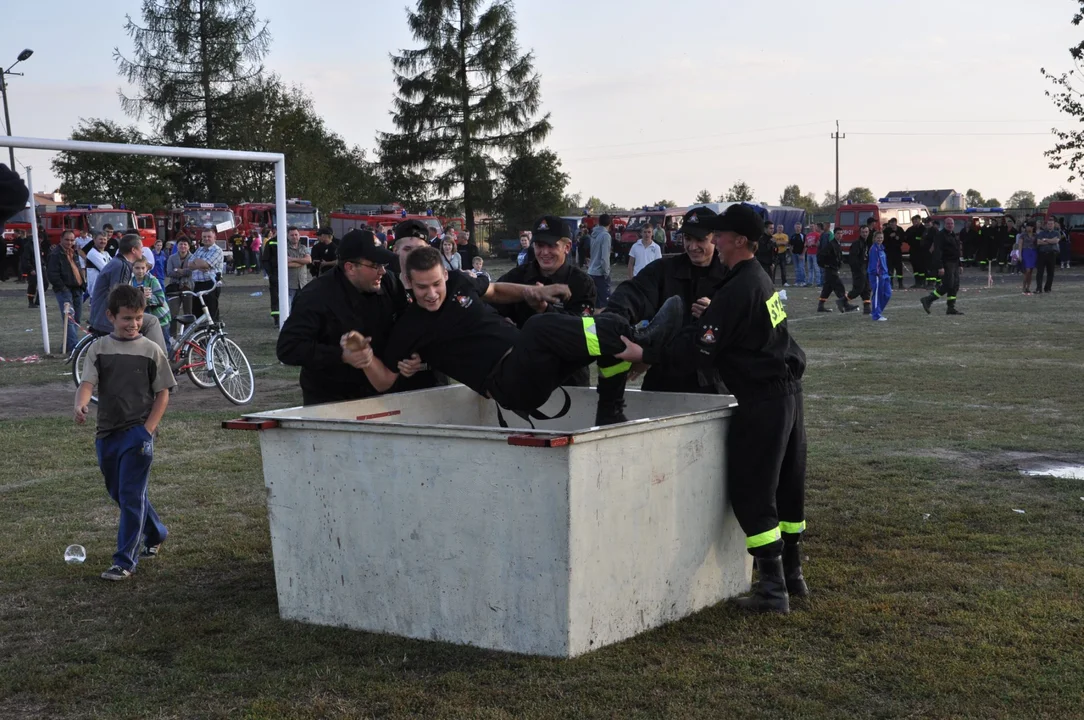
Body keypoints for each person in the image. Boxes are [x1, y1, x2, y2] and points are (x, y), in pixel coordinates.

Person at [612, 203, 809, 614]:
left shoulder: (737, 287)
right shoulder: (758, 279)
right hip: (788, 394)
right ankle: (793, 575)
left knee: (753, 490)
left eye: (718, 236)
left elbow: (699, 347)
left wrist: (643, 351)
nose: (712, 242)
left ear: (739, 240)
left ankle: (772, 591)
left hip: (761, 400)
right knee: (789, 488)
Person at [350, 245, 682, 425]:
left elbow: (494, 289)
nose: (432, 293)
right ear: (409, 282)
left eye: (437, 284)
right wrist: (365, 359)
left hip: (535, 364)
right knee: (539, 327)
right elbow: (384, 380)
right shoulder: (410, 325)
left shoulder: (461, 282)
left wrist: (533, 291)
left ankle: (610, 409)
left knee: (587, 331)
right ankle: (647, 347)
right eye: (422, 287)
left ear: (445, 276)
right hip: (507, 384)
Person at [593, 205, 731, 425]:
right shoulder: (665, 270)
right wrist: (615, 317)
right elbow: (634, 293)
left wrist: (718, 313)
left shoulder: (733, 276)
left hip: (713, 384)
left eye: (700, 240)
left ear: (716, 237)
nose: (692, 246)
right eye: (687, 238)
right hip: (664, 379)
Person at [74, 284, 175, 581]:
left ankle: (124, 561)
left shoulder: (151, 350)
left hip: (138, 434)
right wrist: (80, 405)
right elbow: (87, 383)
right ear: (110, 317)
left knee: (131, 496)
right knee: (119, 492)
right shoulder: (99, 348)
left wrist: (147, 431)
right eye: (126, 318)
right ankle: (156, 531)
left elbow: (163, 393)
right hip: (107, 434)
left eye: (138, 318)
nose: (133, 324)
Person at [277, 229, 430, 406]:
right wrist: (342, 355)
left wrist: (413, 353)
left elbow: (407, 323)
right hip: (332, 399)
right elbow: (288, 348)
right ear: (350, 267)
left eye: (384, 265)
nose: (382, 271)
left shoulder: (389, 282)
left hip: (383, 394)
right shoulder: (315, 297)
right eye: (375, 266)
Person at [496, 215, 597, 387]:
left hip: (569, 379)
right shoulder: (517, 277)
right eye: (539, 245)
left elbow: (586, 337)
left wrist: (545, 309)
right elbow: (490, 306)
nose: (544, 252)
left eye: (551, 245)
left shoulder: (582, 283)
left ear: (567, 247)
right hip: (526, 376)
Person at [89, 235, 170, 354]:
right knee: (152, 321)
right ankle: (161, 360)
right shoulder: (122, 266)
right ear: (133, 250)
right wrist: (140, 295)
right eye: (141, 248)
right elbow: (119, 296)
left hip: (102, 314)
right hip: (107, 318)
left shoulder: (117, 262)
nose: (142, 251)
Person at [47, 231, 87, 350]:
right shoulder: (55, 254)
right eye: (67, 240)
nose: (70, 242)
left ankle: (68, 344)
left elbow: (78, 269)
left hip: (77, 289)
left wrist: (82, 285)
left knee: (77, 318)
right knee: (69, 318)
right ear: (61, 239)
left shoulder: (73, 252)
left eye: (72, 240)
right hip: (65, 290)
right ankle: (74, 346)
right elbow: (52, 274)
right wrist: (63, 288)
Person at [920, 217, 963, 315]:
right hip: (946, 263)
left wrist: (960, 264)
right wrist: (940, 266)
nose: (950, 225)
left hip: (955, 263)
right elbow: (937, 252)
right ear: (944, 225)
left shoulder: (954, 235)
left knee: (955, 286)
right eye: (948, 224)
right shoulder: (940, 235)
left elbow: (957, 251)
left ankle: (951, 307)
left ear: (954, 225)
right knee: (947, 285)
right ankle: (928, 299)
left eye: (951, 224)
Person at [131, 256, 172, 350]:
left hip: (160, 318)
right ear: (132, 268)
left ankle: (167, 361)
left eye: (143, 268)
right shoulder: (131, 281)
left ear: (147, 268)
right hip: (143, 318)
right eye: (137, 268)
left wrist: (148, 297)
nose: (140, 271)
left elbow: (161, 299)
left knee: (163, 344)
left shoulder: (152, 280)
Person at [816, 227, 855, 313]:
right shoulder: (831, 244)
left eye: (841, 233)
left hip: (833, 269)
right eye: (838, 233)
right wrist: (825, 265)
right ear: (834, 234)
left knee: (827, 289)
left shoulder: (837, 244)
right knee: (840, 287)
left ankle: (820, 306)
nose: (840, 235)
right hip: (831, 270)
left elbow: (838, 258)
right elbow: (821, 255)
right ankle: (845, 305)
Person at [190, 227, 224, 322]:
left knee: (211, 313)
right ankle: (200, 335)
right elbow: (189, 264)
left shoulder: (217, 250)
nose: (206, 238)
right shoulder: (199, 250)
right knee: (197, 313)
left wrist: (197, 262)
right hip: (197, 285)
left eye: (209, 236)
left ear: (214, 237)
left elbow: (205, 264)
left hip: (211, 285)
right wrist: (200, 264)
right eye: (204, 237)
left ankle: (213, 335)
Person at [165, 238, 195, 336]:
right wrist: (184, 272)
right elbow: (169, 272)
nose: (183, 246)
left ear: (188, 246)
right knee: (173, 313)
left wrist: (179, 270)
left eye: (185, 244)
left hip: (188, 287)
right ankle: (172, 336)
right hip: (174, 288)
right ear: (177, 246)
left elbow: (192, 272)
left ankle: (188, 335)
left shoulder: (193, 257)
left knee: (188, 313)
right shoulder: (171, 258)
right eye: (181, 244)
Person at [587, 214, 613, 307]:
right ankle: (601, 322)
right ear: (610, 223)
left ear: (599, 222)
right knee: (604, 305)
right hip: (600, 274)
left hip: (591, 271)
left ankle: (590, 322)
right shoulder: (605, 236)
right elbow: (604, 257)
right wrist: (606, 273)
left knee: (591, 304)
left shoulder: (593, 234)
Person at [845, 225, 873, 314]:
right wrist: (858, 270)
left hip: (865, 268)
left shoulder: (867, 243)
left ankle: (867, 307)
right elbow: (853, 258)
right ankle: (843, 301)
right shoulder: (857, 243)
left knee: (867, 288)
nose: (865, 234)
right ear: (860, 233)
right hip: (859, 269)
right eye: (863, 232)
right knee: (859, 288)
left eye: (866, 232)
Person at [868, 231, 891, 322]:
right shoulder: (874, 249)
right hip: (877, 275)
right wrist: (877, 273)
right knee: (877, 294)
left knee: (887, 294)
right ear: (874, 238)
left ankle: (875, 311)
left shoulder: (881, 248)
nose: (880, 239)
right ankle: (876, 315)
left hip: (885, 275)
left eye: (881, 238)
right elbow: (874, 262)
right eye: (878, 238)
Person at [285, 227, 311, 302]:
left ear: (299, 236)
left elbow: (308, 260)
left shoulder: (303, 248)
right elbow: (286, 264)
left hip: (303, 284)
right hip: (290, 285)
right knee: (290, 308)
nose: (294, 237)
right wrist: (302, 262)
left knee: (302, 308)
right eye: (292, 235)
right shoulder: (284, 248)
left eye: (296, 234)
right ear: (288, 236)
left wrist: (292, 259)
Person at [1035, 218, 1061, 293]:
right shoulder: (1042, 233)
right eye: (1049, 224)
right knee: (1040, 272)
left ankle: (1048, 288)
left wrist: (1045, 240)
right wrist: (1050, 241)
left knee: (1050, 272)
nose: (1050, 225)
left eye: (1051, 224)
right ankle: (1039, 288)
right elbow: (1038, 242)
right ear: (1046, 225)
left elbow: (1056, 241)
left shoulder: (1057, 233)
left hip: (1052, 254)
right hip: (1042, 254)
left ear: (1054, 224)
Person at [85, 234, 111, 300]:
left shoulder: (105, 253)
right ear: (94, 240)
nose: (103, 241)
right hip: (97, 290)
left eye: (105, 239)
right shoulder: (93, 253)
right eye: (100, 239)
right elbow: (106, 268)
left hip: (104, 289)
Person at [882, 217, 905, 290]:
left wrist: (899, 238)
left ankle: (900, 283)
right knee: (890, 267)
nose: (892, 225)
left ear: (896, 223)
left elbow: (903, 238)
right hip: (889, 251)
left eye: (893, 223)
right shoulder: (887, 230)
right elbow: (883, 240)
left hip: (897, 251)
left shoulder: (900, 229)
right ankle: (890, 283)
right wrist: (889, 236)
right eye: (891, 223)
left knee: (899, 268)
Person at [905, 216, 928, 288]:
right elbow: (906, 238)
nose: (915, 221)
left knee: (922, 268)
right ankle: (917, 282)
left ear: (920, 220)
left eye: (916, 220)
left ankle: (923, 282)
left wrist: (915, 239)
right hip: (913, 250)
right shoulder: (910, 229)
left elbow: (923, 239)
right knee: (915, 267)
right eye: (913, 220)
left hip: (921, 251)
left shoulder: (924, 229)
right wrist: (913, 240)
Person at [1017, 221, 1038, 294]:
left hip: (1033, 253)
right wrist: (1020, 255)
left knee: (1031, 271)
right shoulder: (1023, 235)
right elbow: (1020, 245)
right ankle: (1023, 286)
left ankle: (1028, 287)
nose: (1028, 228)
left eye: (1030, 226)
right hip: (1025, 252)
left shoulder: (1035, 235)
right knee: (1027, 271)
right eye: (1027, 226)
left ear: (1033, 227)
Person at [788, 222, 806, 287]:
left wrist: (803, 254)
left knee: (801, 268)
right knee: (796, 268)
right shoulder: (793, 236)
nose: (797, 228)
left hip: (800, 254)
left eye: (799, 227)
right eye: (796, 227)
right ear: (794, 228)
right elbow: (790, 245)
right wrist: (791, 253)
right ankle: (797, 281)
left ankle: (803, 281)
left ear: (801, 228)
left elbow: (805, 246)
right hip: (794, 254)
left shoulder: (803, 235)